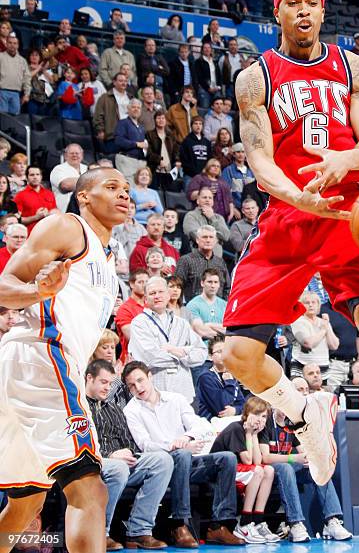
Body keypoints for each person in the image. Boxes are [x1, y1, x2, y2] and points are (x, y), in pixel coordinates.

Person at [221, 0, 359, 527]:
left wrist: (346, 163)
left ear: (322, 13)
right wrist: (295, 194)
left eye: (312, 3)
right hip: (291, 213)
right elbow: (258, 156)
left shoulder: (352, 67)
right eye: (291, 3)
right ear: (278, 14)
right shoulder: (256, 77)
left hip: (351, 211)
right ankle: (304, 413)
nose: (303, 10)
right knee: (239, 357)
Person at [0, 167, 129, 553]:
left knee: (27, 501)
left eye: (127, 189)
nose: (125, 195)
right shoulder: (67, 227)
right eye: (112, 187)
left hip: (36, 363)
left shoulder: (109, 260)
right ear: (84, 196)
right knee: (89, 488)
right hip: (43, 355)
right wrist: (38, 292)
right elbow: (4, 286)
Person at [122, 361, 246, 547]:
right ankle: (180, 524)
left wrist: (187, 437)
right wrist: (174, 446)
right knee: (182, 456)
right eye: (131, 385)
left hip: (187, 460)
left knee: (226, 458)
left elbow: (203, 426)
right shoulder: (131, 410)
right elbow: (145, 445)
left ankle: (220, 525)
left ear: (150, 376)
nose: (138, 387)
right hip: (162, 466)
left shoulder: (175, 399)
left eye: (140, 380)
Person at [85, 359, 172, 551]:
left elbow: (130, 443)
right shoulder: (79, 408)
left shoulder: (114, 408)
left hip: (123, 462)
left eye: (110, 383)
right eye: (103, 382)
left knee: (162, 460)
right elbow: (81, 446)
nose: (107, 388)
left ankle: (139, 531)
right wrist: (111, 455)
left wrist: (128, 452)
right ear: (89, 378)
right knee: (118, 468)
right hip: (93, 462)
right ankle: (100, 533)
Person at [260, 405, 352, 542]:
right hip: (269, 471)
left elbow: (303, 450)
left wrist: (311, 458)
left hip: (289, 469)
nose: (286, 411)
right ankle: (295, 523)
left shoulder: (292, 423)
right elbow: (265, 458)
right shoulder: (266, 422)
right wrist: (293, 458)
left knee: (319, 468)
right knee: (286, 468)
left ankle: (332, 521)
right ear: (274, 406)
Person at [210, 397, 277, 543]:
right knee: (258, 471)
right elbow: (248, 460)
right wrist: (249, 434)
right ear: (246, 414)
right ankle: (245, 522)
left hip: (242, 470)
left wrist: (253, 434)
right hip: (222, 472)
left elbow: (257, 461)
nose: (260, 419)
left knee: (269, 470)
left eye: (264, 416)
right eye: (257, 414)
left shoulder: (258, 431)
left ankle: (258, 521)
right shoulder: (236, 428)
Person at [129, 276, 206, 401]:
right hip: (156, 391)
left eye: (161, 292)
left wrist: (174, 350)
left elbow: (201, 353)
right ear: (145, 299)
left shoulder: (182, 323)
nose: (157, 296)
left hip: (184, 392)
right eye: (152, 293)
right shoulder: (139, 323)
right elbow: (151, 357)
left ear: (168, 295)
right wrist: (184, 352)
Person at [196, 335, 245, 420]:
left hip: (230, 423)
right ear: (211, 356)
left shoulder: (231, 375)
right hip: (211, 425)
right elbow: (221, 408)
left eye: (225, 351)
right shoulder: (205, 378)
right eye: (219, 351)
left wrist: (235, 410)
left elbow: (243, 404)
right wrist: (229, 383)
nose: (223, 354)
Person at [176, 225, 230, 301]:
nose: (208, 240)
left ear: (215, 241)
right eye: (205, 237)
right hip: (192, 309)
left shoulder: (220, 262)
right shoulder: (185, 260)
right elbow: (177, 286)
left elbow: (227, 288)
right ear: (197, 240)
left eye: (211, 237)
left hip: (218, 309)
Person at [14, 166, 59, 234]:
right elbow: (17, 220)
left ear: (41, 177)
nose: (35, 177)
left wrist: (50, 214)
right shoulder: (20, 195)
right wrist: (36, 217)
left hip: (49, 233)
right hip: (30, 235)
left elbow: (55, 213)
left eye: (37, 174)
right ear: (27, 177)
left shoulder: (50, 194)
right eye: (32, 175)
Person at [114, 268, 149, 357]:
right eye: (140, 282)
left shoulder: (151, 306)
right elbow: (133, 338)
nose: (144, 285)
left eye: (147, 282)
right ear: (131, 284)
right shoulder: (124, 309)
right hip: (132, 359)